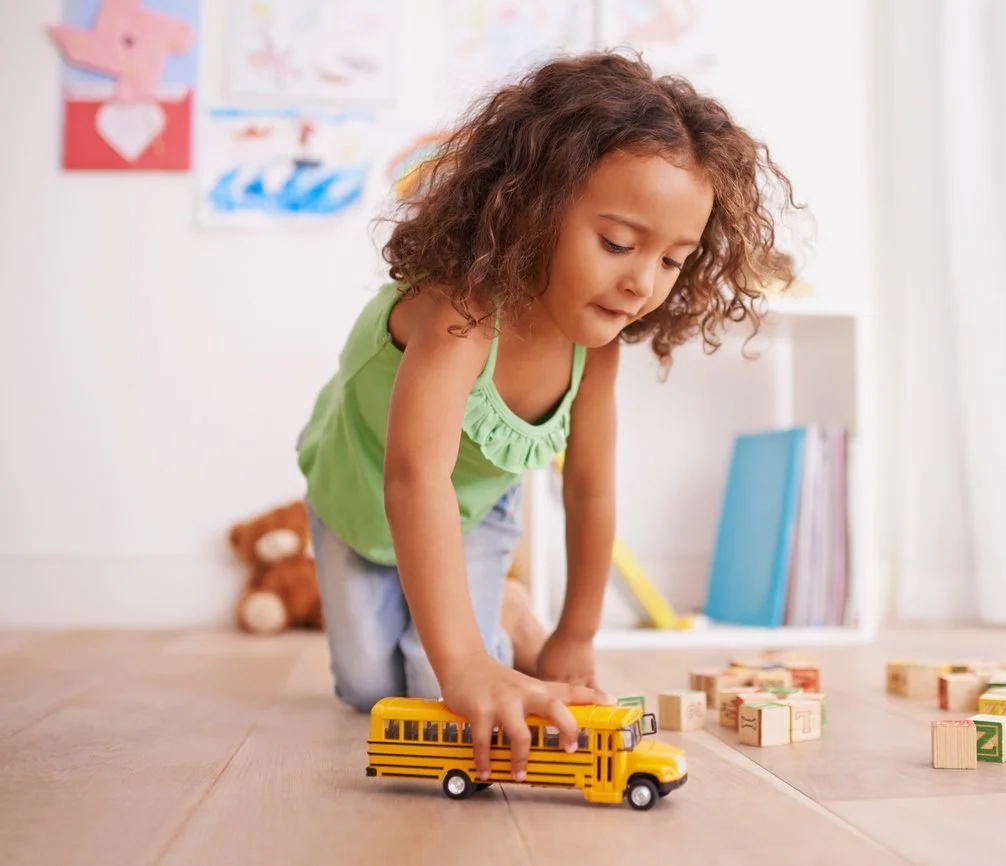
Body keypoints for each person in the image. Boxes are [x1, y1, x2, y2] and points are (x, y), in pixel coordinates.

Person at [297, 51, 802, 783]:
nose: (641, 284)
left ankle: (509, 608)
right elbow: (414, 478)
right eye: (620, 244)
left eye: (673, 261)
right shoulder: (460, 313)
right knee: (368, 688)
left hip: (470, 511)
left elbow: (590, 488)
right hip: (364, 493)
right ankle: (485, 617)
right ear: (532, 207)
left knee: (432, 695)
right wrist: (466, 660)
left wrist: (575, 632)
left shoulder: (595, 350)